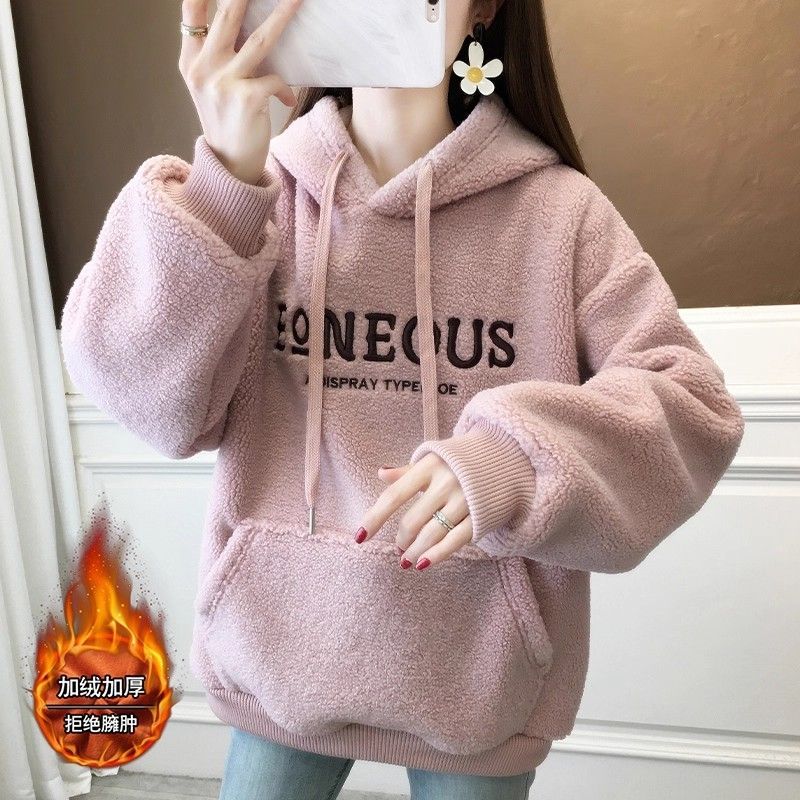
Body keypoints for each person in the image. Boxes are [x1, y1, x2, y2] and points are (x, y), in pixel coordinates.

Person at [59, 0, 746, 797]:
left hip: (481, 683)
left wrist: (511, 463)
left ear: (481, 9)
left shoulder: (561, 217)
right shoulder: (260, 196)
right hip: (283, 656)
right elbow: (142, 395)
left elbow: (691, 405)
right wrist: (222, 185)